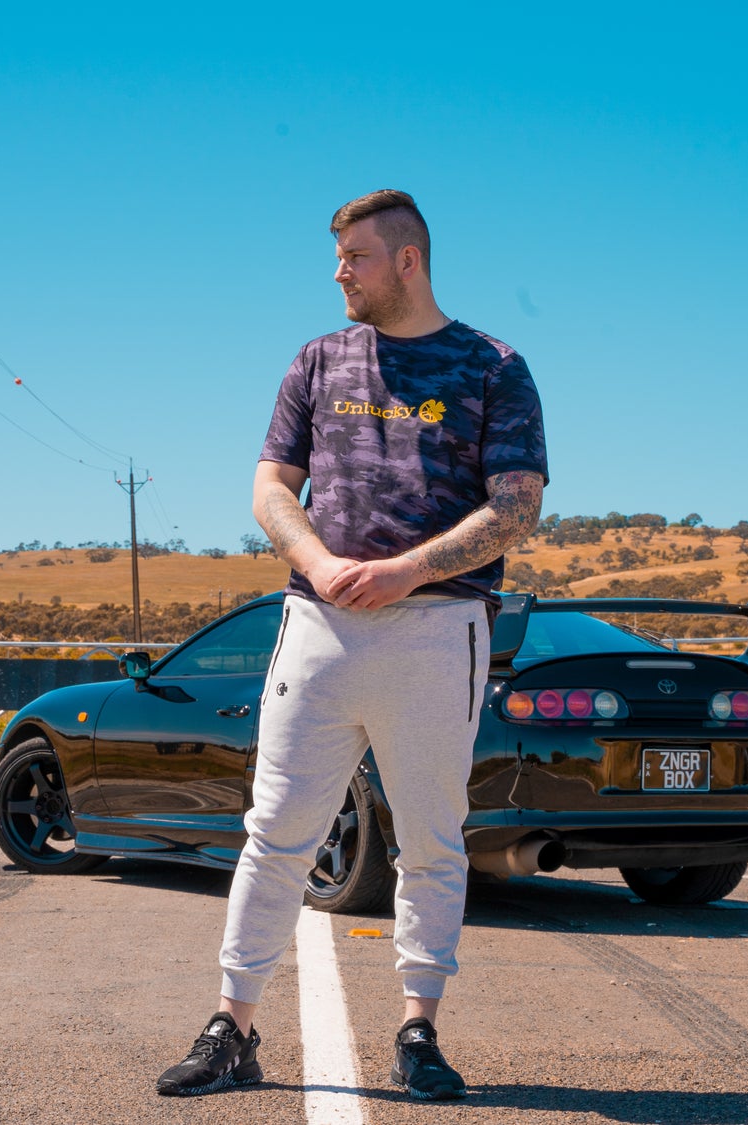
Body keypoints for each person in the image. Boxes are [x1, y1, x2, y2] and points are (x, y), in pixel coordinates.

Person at [155, 190, 547, 1100]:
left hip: (437, 632)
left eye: (356, 256)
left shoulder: (494, 366)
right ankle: (231, 1026)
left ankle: (418, 1031)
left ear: (408, 260)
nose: (339, 272)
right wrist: (318, 561)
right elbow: (270, 486)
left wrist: (408, 571)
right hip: (318, 625)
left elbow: (517, 505)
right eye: (337, 257)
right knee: (274, 833)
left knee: (430, 840)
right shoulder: (317, 360)